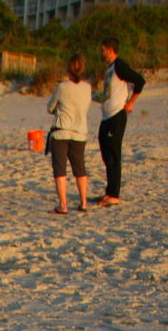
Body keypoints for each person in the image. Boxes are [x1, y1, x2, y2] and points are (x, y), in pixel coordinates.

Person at [97, 37, 145, 207]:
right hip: (107, 115)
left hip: (117, 115)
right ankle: (109, 192)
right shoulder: (109, 69)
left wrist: (131, 102)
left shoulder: (119, 65)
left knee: (113, 154)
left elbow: (139, 81)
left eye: (102, 50)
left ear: (110, 50)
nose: (101, 53)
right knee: (105, 150)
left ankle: (113, 195)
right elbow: (109, 92)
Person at [46, 52, 92, 214]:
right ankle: (84, 202)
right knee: (80, 168)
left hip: (61, 132)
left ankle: (63, 205)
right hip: (80, 132)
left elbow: (50, 107)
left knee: (60, 169)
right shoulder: (87, 88)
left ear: (68, 69)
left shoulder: (62, 87)